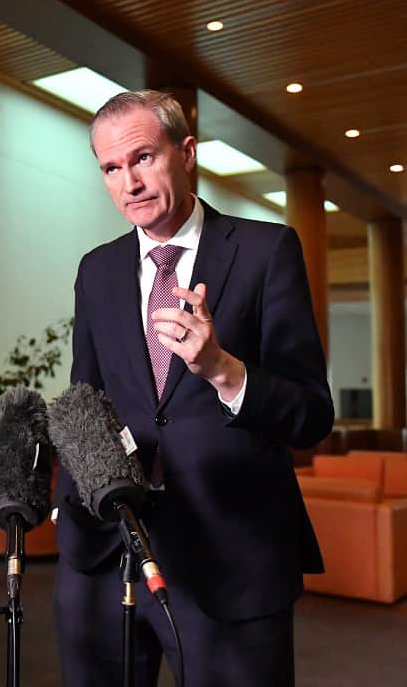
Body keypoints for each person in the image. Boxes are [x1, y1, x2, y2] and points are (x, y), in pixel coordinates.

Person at [53, 89, 333, 687]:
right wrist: (72, 497)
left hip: (230, 558)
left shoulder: (265, 251)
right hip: (108, 553)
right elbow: (88, 399)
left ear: (186, 153)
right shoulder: (96, 269)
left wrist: (222, 369)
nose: (128, 182)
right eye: (110, 168)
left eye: (143, 158)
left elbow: (311, 414)